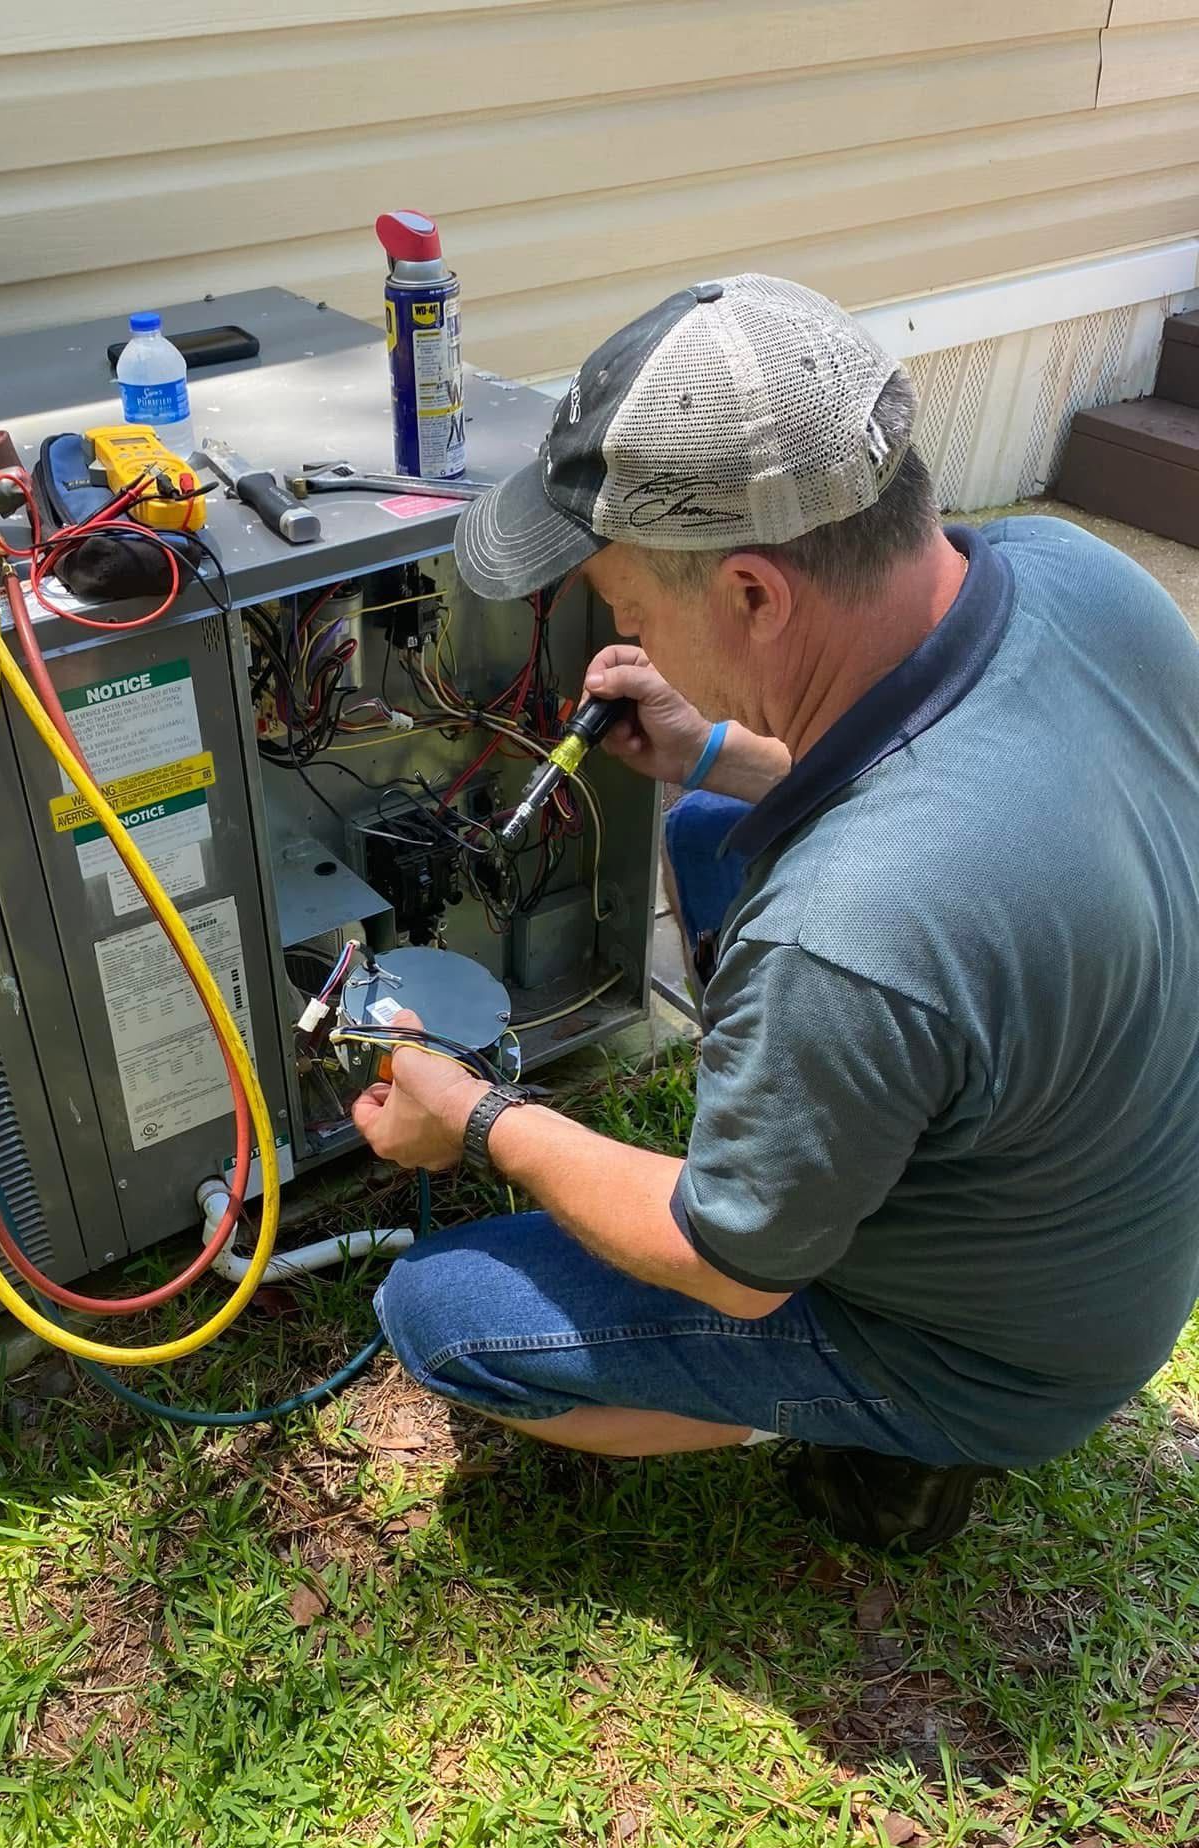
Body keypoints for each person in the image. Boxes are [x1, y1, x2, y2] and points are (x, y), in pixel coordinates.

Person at [353, 273, 1199, 1555]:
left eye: (629, 606)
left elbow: (728, 1263)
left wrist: (473, 1111)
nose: (621, 634)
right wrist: (717, 753)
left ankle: (896, 1433)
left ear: (753, 595)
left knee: (442, 1314)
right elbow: (947, 785)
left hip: (1005, 1355)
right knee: (708, 826)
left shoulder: (851, 929)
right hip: (1112, 1225)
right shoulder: (1075, 571)